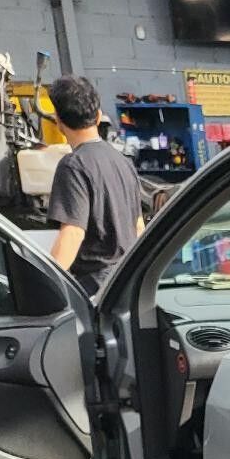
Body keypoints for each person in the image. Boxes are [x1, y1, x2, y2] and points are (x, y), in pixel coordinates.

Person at [45, 76, 143, 296]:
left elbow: (73, 234)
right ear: (98, 117)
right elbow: (138, 227)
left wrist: (46, 284)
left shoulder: (73, 165)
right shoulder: (123, 162)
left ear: (58, 121)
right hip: (125, 282)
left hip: (94, 289)